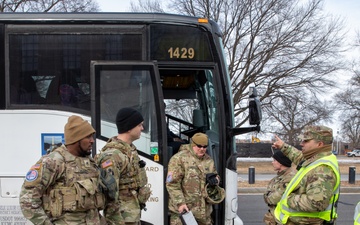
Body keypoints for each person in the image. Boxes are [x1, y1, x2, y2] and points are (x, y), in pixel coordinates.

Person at [19, 115, 106, 225]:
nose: (92, 141)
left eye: (92, 137)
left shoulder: (89, 163)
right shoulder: (54, 162)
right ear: (76, 139)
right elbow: (27, 199)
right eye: (88, 137)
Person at [272, 125, 340, 225]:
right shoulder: (316, 159)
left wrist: (287, 198)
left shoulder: (322, 169)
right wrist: (283, 146)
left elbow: (316, 203)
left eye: (306, 141)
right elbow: (299, 157)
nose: (301, 144)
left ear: (320, 144)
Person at [95, 107, 151, 225]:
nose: (142, 128)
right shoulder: (112, 156)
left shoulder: (129, 151)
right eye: (139, 125)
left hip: (131, 217)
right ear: (130, 127)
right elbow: (110, 198)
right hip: (121, 219)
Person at [166, 132, 225, 225]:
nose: (202, 149)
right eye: (199, 146)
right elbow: (172, 184)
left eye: (205, 147)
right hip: (185, 213)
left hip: (204, 214)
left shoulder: (208, 160)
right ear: (192, 144)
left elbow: (215, 175)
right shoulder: (179, 159)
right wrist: (180, 203)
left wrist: (216, 180)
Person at [263, 151, 295, 225]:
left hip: (284, 220)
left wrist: (268, 196)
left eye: (274, 160)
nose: (272, 162)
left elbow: (272, 199)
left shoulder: (290, 177)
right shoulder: (279, 177)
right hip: (276, 219)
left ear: (280, 162)